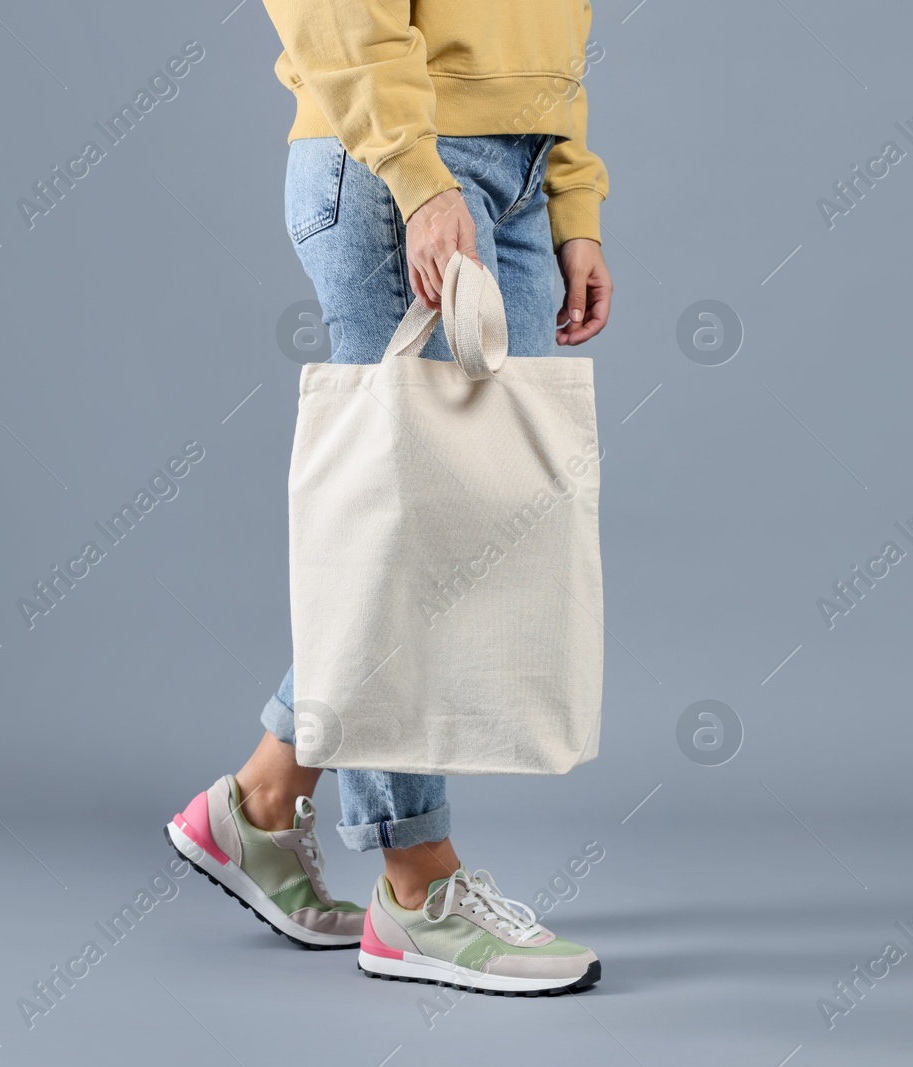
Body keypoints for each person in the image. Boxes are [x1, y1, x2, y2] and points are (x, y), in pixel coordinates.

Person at [165, 1, 611, 996]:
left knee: (467, 527)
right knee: (409, 533)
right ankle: (415, 889)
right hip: (397, 166)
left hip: (519, 168)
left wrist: (572, 197)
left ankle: (260, 799)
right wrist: (415, 174)